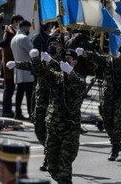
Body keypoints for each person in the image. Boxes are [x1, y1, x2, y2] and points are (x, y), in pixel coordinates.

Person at [7, 35, 63, 172]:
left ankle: (49, 158)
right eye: (52, 44)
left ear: (61, 47)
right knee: (39, 130)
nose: (53, 46)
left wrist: (52, 62)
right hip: (40, 101)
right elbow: (31, 65)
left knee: (51, 132)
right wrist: (16, 64)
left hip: (54, 103)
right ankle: (51, 152)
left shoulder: (63, 63)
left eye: (56, 44)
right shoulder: (44, 60)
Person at [30, 48, 85, 184]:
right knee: (52, 165)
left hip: (69, 128)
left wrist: (70, 72)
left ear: (74, 62)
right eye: (64, 60)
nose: (65, 62)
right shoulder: (55, 76)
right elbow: (41, 73)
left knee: (65, 164)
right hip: (53, 126)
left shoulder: (78, 78)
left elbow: (79, 86)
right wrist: (36, 59)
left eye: (69, 60)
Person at [80, 47, 121, 161]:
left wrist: (120, 57)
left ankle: (115, 146)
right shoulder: (107, 60)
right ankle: (115, 141)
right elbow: (96, 57)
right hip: (108, 95)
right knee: (107, 121)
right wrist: (85, 53)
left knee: (117, 120)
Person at [10, 20, 35, 120]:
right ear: (24, 27)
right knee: (29, 94)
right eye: (28, 28)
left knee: (19, 94)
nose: (29, 30)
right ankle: (31, 113)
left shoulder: (14, 38)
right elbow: (32, 51)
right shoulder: (24, 38)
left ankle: (18, 112)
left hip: (18, 69)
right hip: (27, 69)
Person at [1, 15, 24, 118]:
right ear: (15, 22)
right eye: (19, 23)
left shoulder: (14, 32)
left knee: (11, 88)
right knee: (9, 89)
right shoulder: (9, 32)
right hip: (9, 62)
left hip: (13, 62)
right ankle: (6, 110)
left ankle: (8, 109)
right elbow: (8, 47)